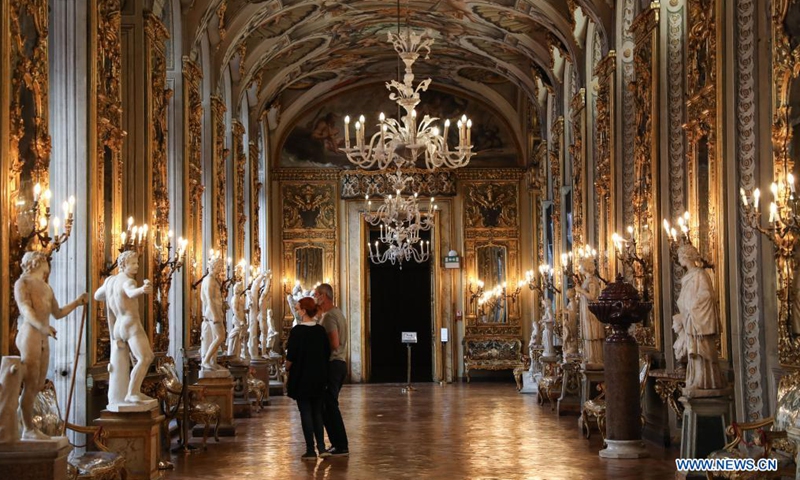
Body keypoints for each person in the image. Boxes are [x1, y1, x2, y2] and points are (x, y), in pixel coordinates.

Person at [16, 251, 87, 439]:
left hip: (44, 336)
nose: (48, 263)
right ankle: (27, 429)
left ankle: (25, 423)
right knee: (30, 383)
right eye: (45, 260)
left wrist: (77, 302)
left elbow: (58, 312)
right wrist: (42, 326)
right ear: (37, 262)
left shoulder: (46, 288)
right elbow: (25, 309)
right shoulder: (22, 283)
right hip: (30, 335)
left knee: (39, 383)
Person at [94, 250, 154, 405]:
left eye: (137, 263)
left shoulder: (110, 281)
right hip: (131, 324)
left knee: (120, 364)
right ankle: (132, 392)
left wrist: (112, 294)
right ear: (123, 264)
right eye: (133, 263)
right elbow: (130, 292)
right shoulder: (130, 281)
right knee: (146, 358)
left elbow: (97, 296)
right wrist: (142, 289)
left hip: (117, 327)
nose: (137, 266)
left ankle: (119, 396)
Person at [676, 244, 727, 395]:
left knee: (702, 352)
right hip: (691, 320)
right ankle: (696, 380)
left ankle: (705, 381)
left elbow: (707, 296)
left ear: (686, 257)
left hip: (699, 320)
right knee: (694, 352)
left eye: (680, 256)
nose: (678, 259)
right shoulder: (688, 276)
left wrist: (692, 307)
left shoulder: (700, 274)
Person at [285, 297, 330, 461]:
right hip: (319, 377)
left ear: (304, 311)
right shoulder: (320, 331)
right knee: (317, 413)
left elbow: (291, 356)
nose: (297, 312)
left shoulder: (297, 332)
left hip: (302, 378)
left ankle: (310, 450)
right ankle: (322, 447)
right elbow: (327, 353)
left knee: (305, 412)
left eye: (298, 309)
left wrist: (287, 367)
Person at [314, 283, 349, 456]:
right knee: (328, 405)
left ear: (323, 296)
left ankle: (341, 445)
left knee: (330, 405)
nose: (314, 298)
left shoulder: (329, 317)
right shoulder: (337, 313)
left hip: (333, 364)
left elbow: (334, 344)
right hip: (339, 364)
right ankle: (338, 444)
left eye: (316, 295)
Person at [200, 256, 226, 370]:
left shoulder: (211, 279)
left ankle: (211, 361)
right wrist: (215, 315)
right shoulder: (209, 280)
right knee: (220, 336)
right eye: (219, 266)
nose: (221, 268)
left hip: (214, 310)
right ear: (213, 266)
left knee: (215, 337)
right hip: (212, 312)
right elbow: (209, 298)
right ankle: (206, 361)